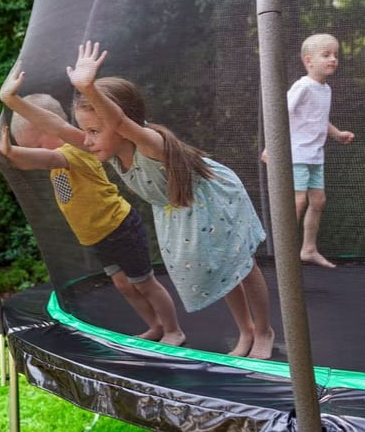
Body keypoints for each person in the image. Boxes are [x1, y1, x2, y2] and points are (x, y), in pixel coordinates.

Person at [65, 41, 274, 360]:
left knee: (242, 264)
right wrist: (11, 100)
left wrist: (89, 89)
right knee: (221, 269)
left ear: (123, 126)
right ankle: (245, 330)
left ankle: (263, 331)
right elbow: (60, 129)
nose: (87, 139)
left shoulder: (149, 144)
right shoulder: (112, 151)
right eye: (86, 131)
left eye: (94, 130)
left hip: (214, 199)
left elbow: (119, 122)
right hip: (187, 211)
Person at [0, 64, 186, 346]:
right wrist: (2, 152)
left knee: (144, 283)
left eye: (38, 145)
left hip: (120, 227)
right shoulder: (56, 155)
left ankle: (173, 329)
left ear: (51, 134)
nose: (37, 153)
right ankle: (154, 326)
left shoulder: (75, 152)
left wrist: (8, 150)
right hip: (98, 236)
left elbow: (40, 158)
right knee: (122, 284)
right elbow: (24, 161)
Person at [261, 33, 355, 268]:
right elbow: (278, 112)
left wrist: (337, 134)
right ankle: (284, 251)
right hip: (296, 153)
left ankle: (308, 248)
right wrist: (270, 147)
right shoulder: (302, 86)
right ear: (308, 60)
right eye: (326, 55)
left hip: (315, 155)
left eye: (335, 55)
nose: (333, 59)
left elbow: (319, 119)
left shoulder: (326, 90)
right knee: (298, 201)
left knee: (318, 201)